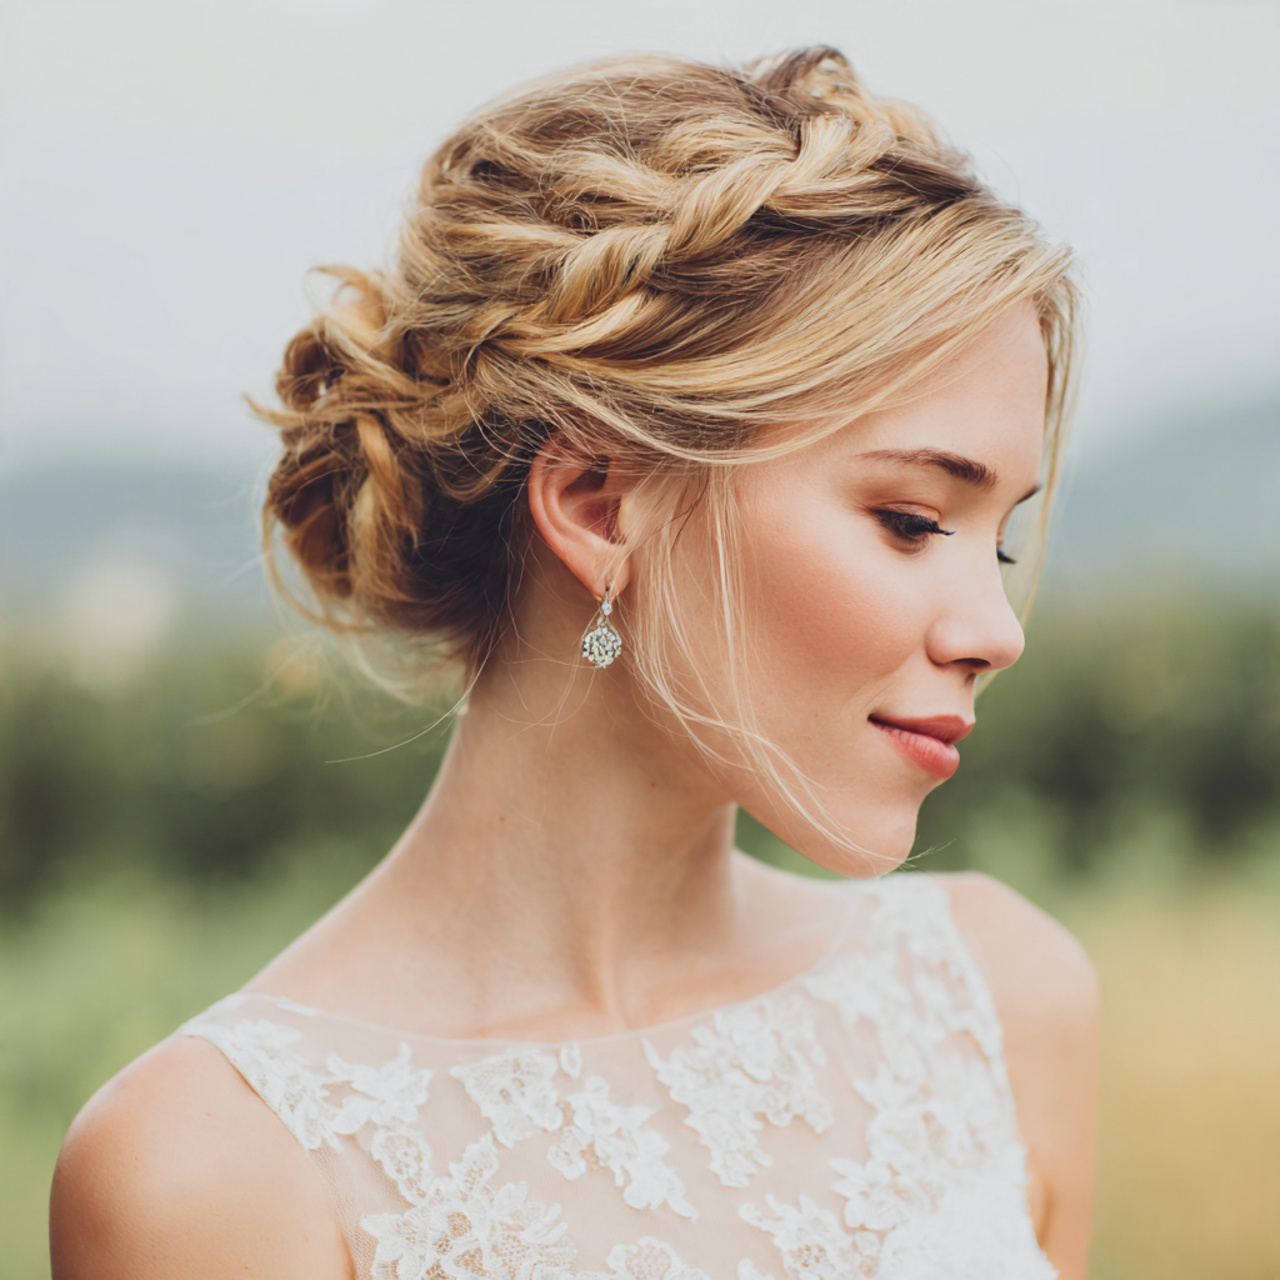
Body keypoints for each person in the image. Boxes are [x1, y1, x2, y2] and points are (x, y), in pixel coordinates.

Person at [50, 46, 1098, 1280]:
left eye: (998, 538)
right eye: (911, 521)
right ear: (601, 505)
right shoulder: (217, 1170)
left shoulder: (992, 1000)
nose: (995, 629)